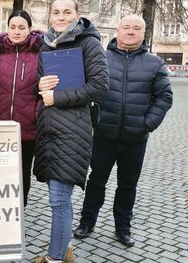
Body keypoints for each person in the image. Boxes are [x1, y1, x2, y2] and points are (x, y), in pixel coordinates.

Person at [17, 0, 109, 263]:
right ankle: (64, 250)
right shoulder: (48, 44)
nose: (60, 16)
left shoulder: (89, 43)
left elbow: (99, 86)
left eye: (66, 12)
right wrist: (40, 86)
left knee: (59, 200)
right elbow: (41, 85)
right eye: (56, 12)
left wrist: (57, 97)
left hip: (73, 130)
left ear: (77, 15)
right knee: (59, 198)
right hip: (51, 128)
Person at [74, 15, 173, 246]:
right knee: (96, 181)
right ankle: (87, 222)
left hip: (135, 138)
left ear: (143, 33)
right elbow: (84, 88)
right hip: (103, 135)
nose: (130, 31)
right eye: (126, 27)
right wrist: (92, 119)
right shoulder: (101, 58)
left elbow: (164, 97)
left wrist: (147, 123)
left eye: (136, 28)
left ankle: (123, 228)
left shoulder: (155, 63)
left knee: (128, 185)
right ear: (117, 31)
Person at [0, 10, 43, 208]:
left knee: (22, 175)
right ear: (7, 29)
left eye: (22, 27)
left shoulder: (40, 54)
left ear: (29, 30)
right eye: (13, 27)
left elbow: (44, 89)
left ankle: (18, 214)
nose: (16, 31)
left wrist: (36, 114)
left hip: (27, 129)